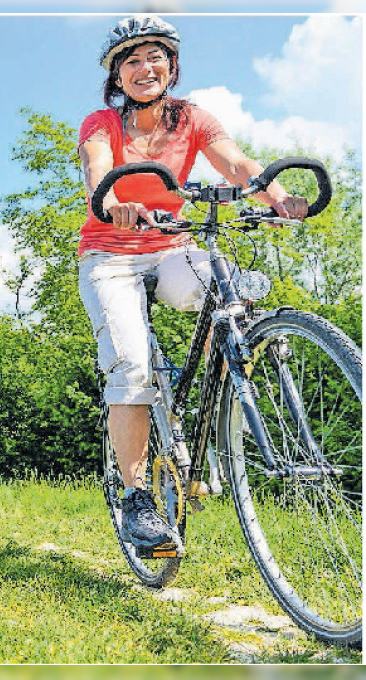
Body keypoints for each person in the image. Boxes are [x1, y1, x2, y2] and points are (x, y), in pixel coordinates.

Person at [78, 15, 307, 551]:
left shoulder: (193, 119)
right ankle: (136, 497)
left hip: (172, 243)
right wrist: (113, 204)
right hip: (111, 254)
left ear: (171, 65)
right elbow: (97, 169)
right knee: (131, 366)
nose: (144, 67)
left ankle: (213, 395)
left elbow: (237, 165)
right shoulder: (101, 123)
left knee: (232, 292)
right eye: (130, 60)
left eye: (154, 56)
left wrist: (274, 197)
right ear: (116, 76)